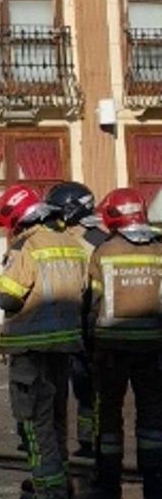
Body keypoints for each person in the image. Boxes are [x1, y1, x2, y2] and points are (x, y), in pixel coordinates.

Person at [0, 185, 88, 499]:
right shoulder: (71, 242)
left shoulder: (25, 247)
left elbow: (9, 297)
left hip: (31, 351)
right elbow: (84, 291)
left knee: (33, 422)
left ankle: (48, 486)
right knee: (57, 418)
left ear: (19, 219)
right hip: (64, 347)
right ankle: (61, 477)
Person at [87, 188, 162, 498]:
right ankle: (155, 482)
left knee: (108, 418)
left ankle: (108, 482)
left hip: (111, 352)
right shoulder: (159, 250)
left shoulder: (103, 252)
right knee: (153, 418)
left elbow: (92, 303)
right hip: (154, 350)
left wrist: (88, 343)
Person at [44, 181, 108, 459]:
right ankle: (87, 440)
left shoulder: (96, 241)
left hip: (92, 325)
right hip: (76, 324)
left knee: (94, 387)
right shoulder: (83, 238)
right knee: (82, 387)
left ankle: (96, 443)